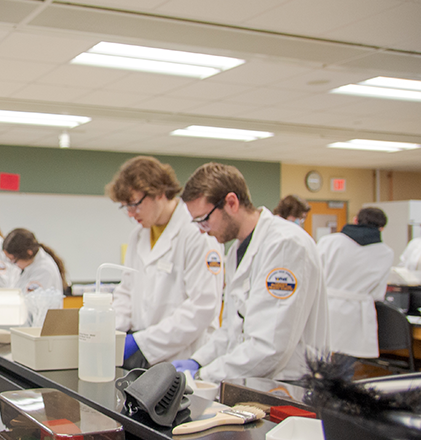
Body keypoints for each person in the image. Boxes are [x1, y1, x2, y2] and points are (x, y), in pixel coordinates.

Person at [174, 163, 329, 384]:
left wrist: (202, 375)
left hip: (291, 384)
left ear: (231, 203)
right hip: (256, 381)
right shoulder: (237, 251)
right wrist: (198, 361)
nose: (201, 229)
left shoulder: (285, 245)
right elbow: (231, 330)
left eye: (204, 219)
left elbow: (270, 347)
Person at [105, 156, 224, 369]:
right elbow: (126, 291)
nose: (131, 214)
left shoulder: (197, 231)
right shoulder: (138, 236)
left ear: (159, 193)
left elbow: (202, 306)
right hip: (144, 355)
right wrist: (109, 331)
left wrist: (142, 341)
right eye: (126, 207)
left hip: (184, 355)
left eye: (135, 205)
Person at [317, 207, 393, 364]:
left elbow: (313, 276)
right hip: (355, 318)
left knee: (317, 364)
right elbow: (378, 293)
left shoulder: (329, 241)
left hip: (325, 309)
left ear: (355, 220)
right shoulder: (385, 252)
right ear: (381, 228)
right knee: (343, 369)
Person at [2, 228, 67, 295]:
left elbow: (32, 301)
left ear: (28, 253)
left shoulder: (44, 270)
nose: (13, 264)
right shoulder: (24, 267)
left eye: (14, 260)